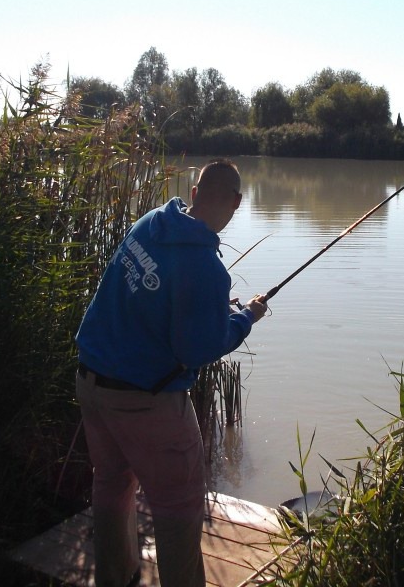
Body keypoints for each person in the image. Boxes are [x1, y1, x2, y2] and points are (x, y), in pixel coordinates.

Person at [75, 159, 268, 587]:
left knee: (111, 480)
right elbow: (196, 349)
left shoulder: (152, 223)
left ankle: (116, 577)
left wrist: (217, 311)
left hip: (90, 380)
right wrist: (244, 318)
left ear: (194, 192)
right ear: (236, 203)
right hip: (146, 402)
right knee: (178, 508)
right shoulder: (205, 267)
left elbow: (157, 301)